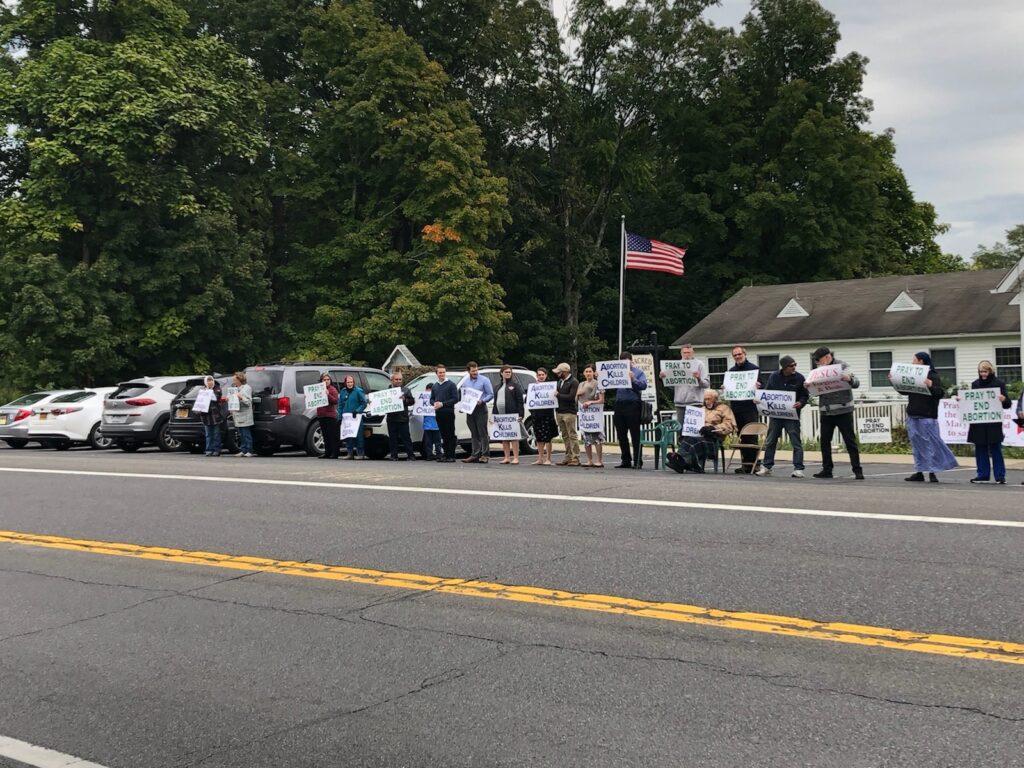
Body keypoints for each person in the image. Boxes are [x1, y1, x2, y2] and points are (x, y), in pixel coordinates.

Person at [897, 352, 958, 482]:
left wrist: (930, 385)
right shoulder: (912, 375)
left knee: (931, 445)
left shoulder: (933, 375)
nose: (912, 362)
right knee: (917, 446)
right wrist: (894, 381)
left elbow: (939, 393)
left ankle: (933, 472)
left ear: (921, 361)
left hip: (927, 416)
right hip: (913, 414)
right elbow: (904, 390)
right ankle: (919, 472)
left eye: (914, 360)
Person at [810, 346, 863, 480]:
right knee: (824, 442)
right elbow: (815, 391)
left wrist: (849, 379)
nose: (818, 362)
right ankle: (827, 469)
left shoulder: (842, 366)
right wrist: (809, 386)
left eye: (819, 359)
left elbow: (856, 383)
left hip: (843, 410)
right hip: (826, 411)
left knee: (850, 441)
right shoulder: (818, 371)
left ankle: (857, 470)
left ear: (828, 357)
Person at [755, 356, 809, 478]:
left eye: (795, 364)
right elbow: (768, 393)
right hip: (776, 415)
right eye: (791, 365)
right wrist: (760, 399)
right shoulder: (774, 376)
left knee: (796, 442)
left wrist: (800, 403)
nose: (794, 367)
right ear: (784, 367)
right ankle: (767, 466)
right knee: (770, 441)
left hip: (791, 415)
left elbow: (804, 395)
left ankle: (798, 468)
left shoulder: (799, 378)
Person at [666, 390, 735, 473]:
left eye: (709, 399)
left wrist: (713, 428)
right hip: (698, 436)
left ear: (715, 399)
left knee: (693, 441)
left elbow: (729, 425)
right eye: (705, 399)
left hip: (713, 438)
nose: (707, 401)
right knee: (687, 438)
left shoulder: (724, 409)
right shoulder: (701, 409)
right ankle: (683, 462)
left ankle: (680, 460)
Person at [966, 360, 1011, 484]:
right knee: (980, 449)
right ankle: (982, 474)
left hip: (993, 423)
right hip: (979, 422)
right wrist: (962, 400)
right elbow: (971, 403)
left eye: (985, 371)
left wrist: (1003, 399)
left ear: (990, 371)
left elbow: (1008, 404)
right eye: (981, 372)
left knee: (995, 448)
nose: (983, 374)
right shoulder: (975, 384)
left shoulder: (999, 383)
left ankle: (1000, 476)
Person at [612, 351, 648, 469]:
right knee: (621, 434)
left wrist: (633, 380)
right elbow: (608, 384)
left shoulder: (638, 372)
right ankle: (625, 460)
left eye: (627, 362)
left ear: (631, 361)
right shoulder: (616, 372)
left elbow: (643, 386)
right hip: (619, 404)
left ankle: (638, 461)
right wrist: (600, 376)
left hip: (633, 404)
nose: (625, 364)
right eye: (623, 362)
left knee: (635, 434)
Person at [726, 346, 759, 473]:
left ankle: (753, 464)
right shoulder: (732, 371)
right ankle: (745, 464)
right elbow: (730, 388)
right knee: (741, 436)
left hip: (750, 407)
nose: (737, 357)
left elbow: (762, 384)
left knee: (751, 435)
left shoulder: (754, 369)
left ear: (745, 354)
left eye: (739, 354)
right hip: (736, 407)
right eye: (735, 355)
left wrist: (758, 385)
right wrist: (726, 387)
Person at [660, 343, 709, 423]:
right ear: (681, 353)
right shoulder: (676, 366)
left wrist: (698, 379)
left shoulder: (699, 364)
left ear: (693, 353)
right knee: (681, 430)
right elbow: (672, 386)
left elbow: (706, 384)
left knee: (693, 430)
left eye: (688, 353)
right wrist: (664, 378)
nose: (686, 355)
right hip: (680, 403)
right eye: (684, 353)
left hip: (695, 403)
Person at [460, 361, 494, 463]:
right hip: (470, 410)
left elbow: (490, 394)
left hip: (481, 408)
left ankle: (485, 455)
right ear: (468, 371)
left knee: (482, 432)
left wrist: (482, 400)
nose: (475, 372)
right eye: (473, 371)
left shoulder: (484, 380)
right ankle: (475, 454)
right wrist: (463, 406)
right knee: (474, 432)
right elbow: (464, 396)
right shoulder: (466, 382)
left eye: (476, 370)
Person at [493, 365, 525, 464]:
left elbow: (520, 401)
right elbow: (495, 402)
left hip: (512, 415)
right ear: (501, 373)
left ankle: (515, 457)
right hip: (500, 415)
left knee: (513, 437)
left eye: (509, 372)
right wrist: (493, 415)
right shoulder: (497, 386)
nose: (508, 374)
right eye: (506, 372)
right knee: (504, 437)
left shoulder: (515, 385)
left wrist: (521, 414)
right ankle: (506, 457)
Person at [577, 364, 605, 468]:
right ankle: (589, 460)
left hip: (594, 413)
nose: (588, 373)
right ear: (584, 373)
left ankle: (599, 460)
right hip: (585, 415)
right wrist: (578, 393)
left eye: (590, 371)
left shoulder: (598, 384)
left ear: (593, 372)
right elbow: (577, 397)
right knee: (586, 438)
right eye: (586, 371)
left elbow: (601, 400)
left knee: (597, 438)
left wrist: (591, 402)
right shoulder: (581, 384)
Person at [430, 364, 459, 462]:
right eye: (440, 372)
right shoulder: (435, 386)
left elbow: (455, 398)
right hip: (439, 413)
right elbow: (431, 398)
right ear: (436, 374)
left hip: (449, 412)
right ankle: (446, 455)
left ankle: (451, 455)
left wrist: (443, 404)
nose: (442, 374)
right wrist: (434, 403)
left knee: (450, 433)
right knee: (443, 434)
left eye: (443, 372)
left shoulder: (451, 384)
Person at [553, 362, 581, 466]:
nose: (557, 374)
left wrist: (559, 395)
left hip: (569, 412)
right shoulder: (560, 382)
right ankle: (568, 456)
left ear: (564, 372)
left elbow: (571, 397)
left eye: (559, 372)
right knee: (565, 435)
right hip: (560, 411)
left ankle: (576, 457)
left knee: (572, 434)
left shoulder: (574, 382)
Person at [386, 371, 417, 461]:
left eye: (400, 379)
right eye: (396, 379)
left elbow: (411, 402)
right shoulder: (387, 391)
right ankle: (394, 455)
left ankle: (411, 455)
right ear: (392, 380)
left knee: (406, 437)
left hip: (402, 418)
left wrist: (405, 399)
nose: (399, 381)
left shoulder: (406, 390)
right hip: (391, 418)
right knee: (392, 438)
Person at [531, 367, 558, 466]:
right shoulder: (533, 387)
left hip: (547, 415)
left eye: (543, 375)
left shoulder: (551, 386)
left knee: (547, 438)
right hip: (536, 415)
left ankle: (548, 458)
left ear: (546, 375)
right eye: (539, 375)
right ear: (537, 376)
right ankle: (540, 458)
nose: (541, 376)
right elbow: (529, 401)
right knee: (539, 438)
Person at [337, 375, 367, 459]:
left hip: (356, 417)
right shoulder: (343, 391)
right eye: (348, 382)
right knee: (348, 435)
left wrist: (357, 411)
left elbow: (364, 403)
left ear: (353, 382)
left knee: (358, 435)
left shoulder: (358, 391)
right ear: (345, 383)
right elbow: (340, 405)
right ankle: (350, 453)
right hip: (346, 418)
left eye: (351, 382)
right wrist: (339, 417)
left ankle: (360, 453)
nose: (350, 384)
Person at [315, 372, 341, 459]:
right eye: (324, 380)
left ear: (330, 380)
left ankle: (335, 453)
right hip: (321, 415)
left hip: (330, 415)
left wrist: (327, 394)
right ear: (321, 381)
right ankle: (327, 452)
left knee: (332, 435)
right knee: (325, 435)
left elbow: (335, 401)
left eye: (328, 380)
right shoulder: (318, 389)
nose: (326, 381)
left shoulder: (332, 389)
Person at [197, 375, 223, 457]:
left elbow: (215, 398)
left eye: (211, 380)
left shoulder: (217, 389)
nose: (210, 382)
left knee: (216, 433)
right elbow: (200, 400)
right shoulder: (202, 390)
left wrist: (209, 391)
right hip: (206, 416)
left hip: (215, 415)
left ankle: (216, 450)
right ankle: (209, 449)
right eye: (208, 381)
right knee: (208, 434)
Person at [230, 371, 255, 457]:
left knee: (246, 433)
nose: (233, 381)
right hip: (237, 414)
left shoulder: (246, 388)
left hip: (245, 414)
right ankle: (243, 449)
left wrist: (241, 397)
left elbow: (248, 402)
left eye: (234, 379)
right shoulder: (235, 389)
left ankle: (249, 450)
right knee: (240, 433)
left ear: (239, 379)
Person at [421, 383, 443, 461]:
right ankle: (429, 454)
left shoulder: (438, 397)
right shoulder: (423, 398)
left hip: (436, 424)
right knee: (428, 441)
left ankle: (439, 454)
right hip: (427, 425)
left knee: (437, 441)